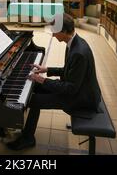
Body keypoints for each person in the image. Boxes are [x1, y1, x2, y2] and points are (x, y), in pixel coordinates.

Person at [7, 13, 101, 150]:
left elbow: (70, 89)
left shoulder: (78, 52)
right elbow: (68, 70)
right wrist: (46, 70)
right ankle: (18, 129)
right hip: (78, 89)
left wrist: (43, 80)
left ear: (63, 31)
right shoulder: (75, 42)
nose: (52, 35)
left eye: (54, 32)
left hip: (82, 97)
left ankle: (27, 139)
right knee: (35, 87)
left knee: (33, 100)